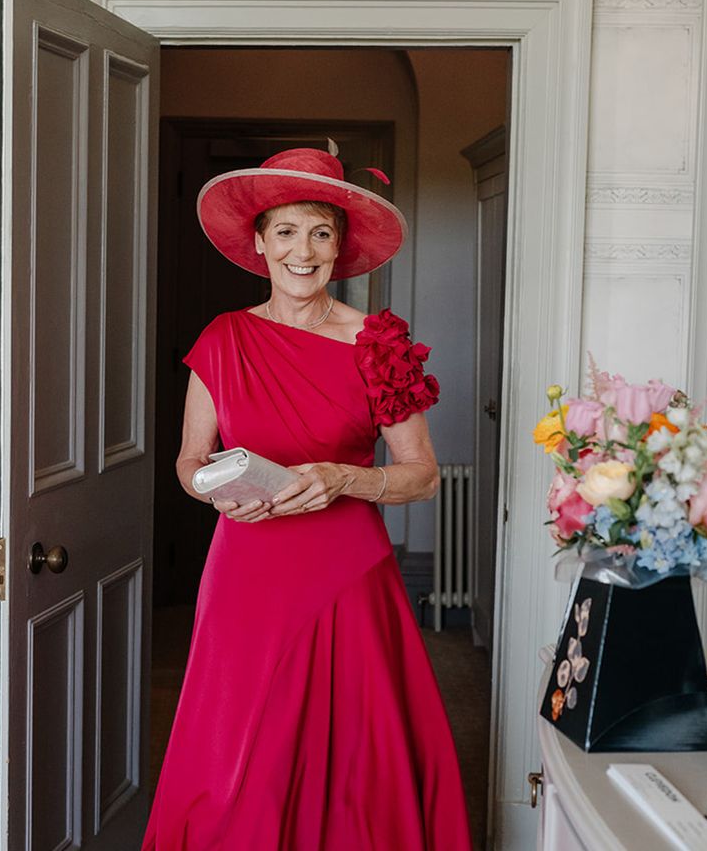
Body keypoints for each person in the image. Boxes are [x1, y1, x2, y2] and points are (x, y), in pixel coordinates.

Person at [143, 147, 472, 850]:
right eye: (287, 231)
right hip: (245, 575)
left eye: (320, 231)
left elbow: (423, 473)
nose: (303, 250)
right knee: (238, 764)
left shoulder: (378, 344)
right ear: (259, 242)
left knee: (356, 768)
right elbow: (187, 461)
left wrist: (347, 478)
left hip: (347, 576)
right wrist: (217, 491)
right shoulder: (223, 339)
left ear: (340, 247)